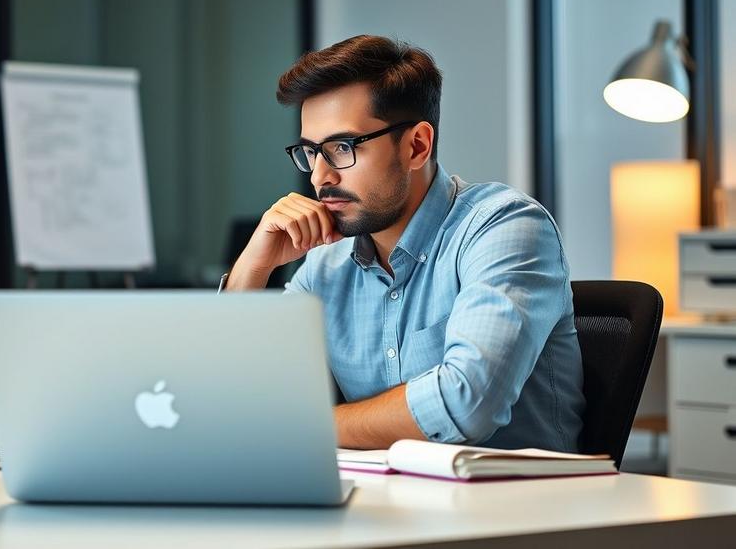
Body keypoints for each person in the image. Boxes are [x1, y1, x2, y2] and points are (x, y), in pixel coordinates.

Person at [224, 35, 585, 451]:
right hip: (383, 507)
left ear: (417, 146)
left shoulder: (506, 227)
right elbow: (235, 402)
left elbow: (465, 403)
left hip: (523, 510)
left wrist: (301, 425)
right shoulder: (327, 265)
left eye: (342, 148)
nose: (319, 177)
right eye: (311, 152)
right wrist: (253, 268)